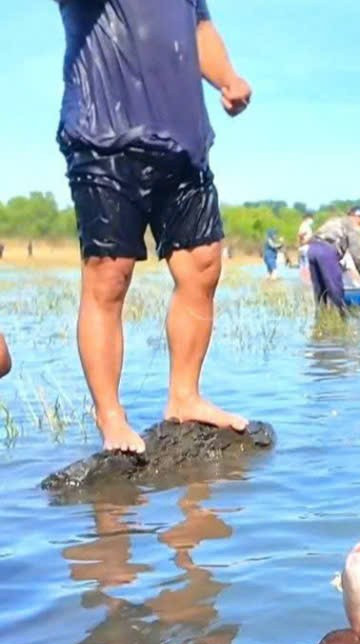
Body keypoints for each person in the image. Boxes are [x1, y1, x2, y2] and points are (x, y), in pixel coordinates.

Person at [56, 0, 252, 454]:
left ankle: (185, 397)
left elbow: (199, 28)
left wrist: (228, 79)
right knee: (109, 274)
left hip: (183, 142)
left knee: (203, 264)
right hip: (103, 136)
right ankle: (110, 415)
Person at [308, 206, 360, 311]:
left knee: (320, 290)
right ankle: (340, 316)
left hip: (312, 249)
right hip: (327, 251)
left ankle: (320, 315)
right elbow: (356, 251)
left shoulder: (335, 220)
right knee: (335, 288)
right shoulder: (354, 225)